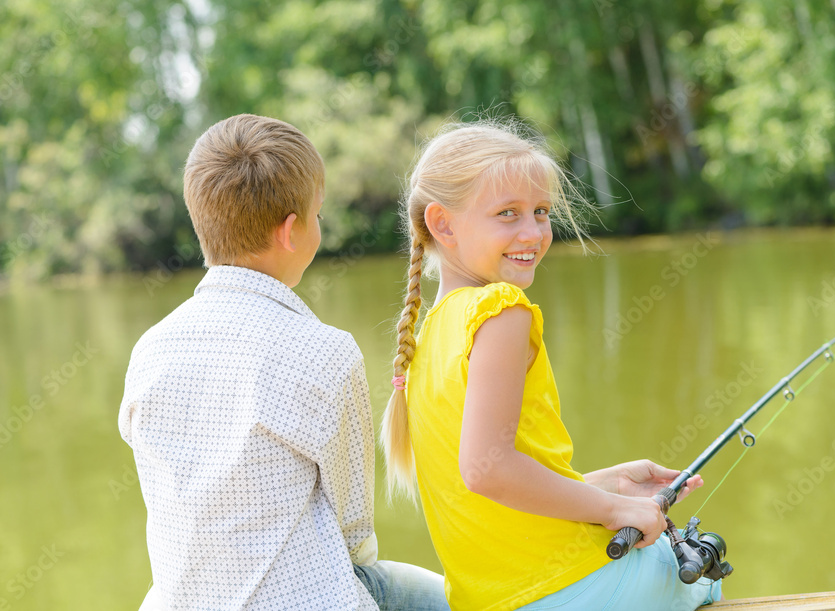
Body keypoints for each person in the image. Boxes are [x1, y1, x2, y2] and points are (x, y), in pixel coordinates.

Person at [379, 120, 724, 611]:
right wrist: (611, 509)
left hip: (489, 601)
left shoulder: (427, 334)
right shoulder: (499, 309)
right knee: (703, 574)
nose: (533, 232)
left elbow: (485, 486)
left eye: (540, 211)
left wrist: (604, 485)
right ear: (443, 224)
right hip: (564, 591)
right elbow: (488, 471)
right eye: (507, 213)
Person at [119, 114, 448, 611]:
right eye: (318, 214)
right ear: (291, 232)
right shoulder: (324, 352)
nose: (319, 225)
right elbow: (354, 532)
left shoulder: (149, 350)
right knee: (456, 597)